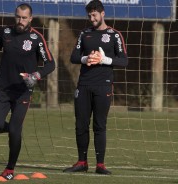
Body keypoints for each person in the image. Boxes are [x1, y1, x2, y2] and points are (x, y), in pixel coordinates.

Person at [0, 3, 55, 181]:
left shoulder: (36, 38)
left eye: (24, 18)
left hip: (23, 92)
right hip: (2, 89)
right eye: (18, 16)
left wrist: (36, 75)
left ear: (31, 19)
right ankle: (14, 131)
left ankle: (9, 169)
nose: (20, 21)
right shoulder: (5, 33)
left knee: (16, 130)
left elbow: (50, 64)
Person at [63, 0, 128, 175]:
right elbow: (74, 57)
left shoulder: (114, 35)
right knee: (81, 124)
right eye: (89, 15)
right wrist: (87, 58)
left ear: (102, 13)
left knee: (99, 125)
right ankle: (82, 162)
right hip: (84, 85)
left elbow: (124, 60)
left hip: (103, 86)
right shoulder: (85, 34)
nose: (92, 19)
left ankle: (100, 165)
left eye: (94, 15)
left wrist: (105, 59)